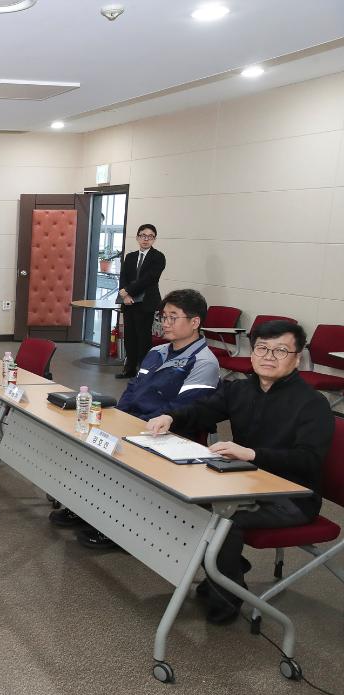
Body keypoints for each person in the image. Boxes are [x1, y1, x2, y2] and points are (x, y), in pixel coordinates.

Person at [146, 319, 334, 625]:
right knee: (187, 503)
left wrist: (253, 455)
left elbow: (309, 460)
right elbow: (202, 410)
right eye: (262, 348)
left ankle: (226, 600)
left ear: (297, 358)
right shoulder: (241, 388)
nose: (268, 357)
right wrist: (170, 417)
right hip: (244, 484)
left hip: (292, 498)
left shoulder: (312, 403)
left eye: (280, 351)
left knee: (221, 518)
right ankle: (227, 570)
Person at [59, 289, 221, 548]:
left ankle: (117, 527)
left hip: (168, 433)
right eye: (163, 317)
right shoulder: (157, 351)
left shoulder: (203, 362)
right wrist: (119, 418)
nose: (165, 323)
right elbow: (132, 389)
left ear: (195, 322)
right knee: (88, 441)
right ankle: (86, 506)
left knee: (121, 460)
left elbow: (183, 409)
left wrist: (137, 425)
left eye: (173, 317)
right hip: (136, 423)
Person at [116, 224, 165, 379]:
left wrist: (128, 290)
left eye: (150, 236)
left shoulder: (158, 257)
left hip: (146, 303)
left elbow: (149, 279)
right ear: (137, 237)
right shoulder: (130, 257)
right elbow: (123, 277)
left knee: (143, 338)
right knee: (129, 337)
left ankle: (142, 371)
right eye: (143, 235)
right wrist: (125, 295)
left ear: (154, 239)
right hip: (129, 303)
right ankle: (129, 369)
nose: (146, 239)